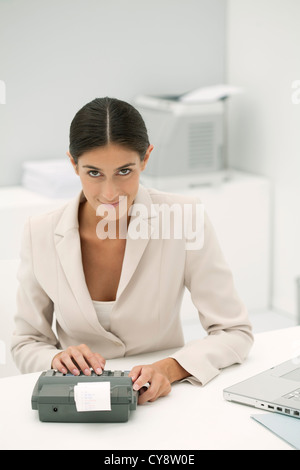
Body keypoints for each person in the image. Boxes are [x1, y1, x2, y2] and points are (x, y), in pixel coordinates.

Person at [11, 97, 253, 405]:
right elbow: (27, 342)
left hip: (165, 399)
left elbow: (234, 331)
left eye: (124, 171)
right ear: (73, 164)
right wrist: (56, 360)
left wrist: (171, 367)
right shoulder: (40, 232)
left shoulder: (183, 218)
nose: (110, 194)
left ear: (145, 159)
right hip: (79, 403)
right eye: (94, 173)